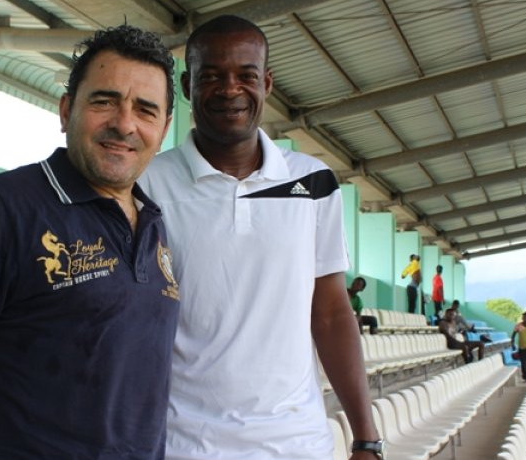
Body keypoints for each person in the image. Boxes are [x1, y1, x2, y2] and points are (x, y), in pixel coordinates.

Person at [0, 25, 180, 460]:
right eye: (104, 101)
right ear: (66, 110)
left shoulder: (155, 224)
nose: (124, 124)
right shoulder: (3, 206)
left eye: (145, 110)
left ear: (163, 128)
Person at [139, 15, 381, 460]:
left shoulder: (314, 182)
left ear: (266, 83)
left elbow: (329, 313)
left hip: (297, 444)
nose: (230, 90)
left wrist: (365, 437)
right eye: (211, 76)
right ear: (187, 84)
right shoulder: (148, 184)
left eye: (245, 76)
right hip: (181, 446)